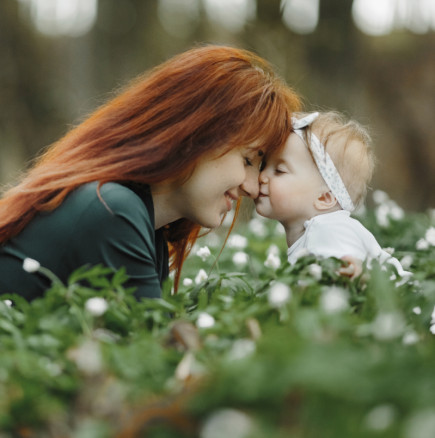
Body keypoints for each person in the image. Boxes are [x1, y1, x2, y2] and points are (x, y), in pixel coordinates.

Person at [0, 44, 301, 300]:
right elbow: (157, 359)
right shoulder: (112, 210)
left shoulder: (147, 227)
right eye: (248, 160)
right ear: (195, 133)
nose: (251, 187)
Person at [255, 111, 410, 278]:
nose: (262, 176)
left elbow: (347, 267)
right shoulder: (319, 229)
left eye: (279, 170)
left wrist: (352, 271)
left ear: (324, 198)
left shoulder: (327, 230)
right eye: (263, 165)